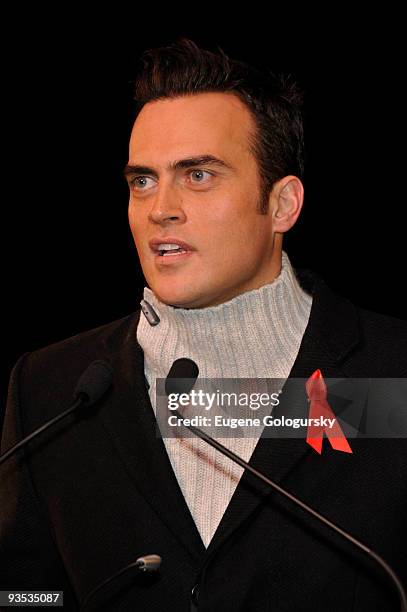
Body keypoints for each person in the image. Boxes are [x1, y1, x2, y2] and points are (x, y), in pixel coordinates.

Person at [1, 38, 406, 612]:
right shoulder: (53, 390)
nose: (160, 207)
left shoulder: (392, 374)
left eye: (197, 175)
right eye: (142, 180)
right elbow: (22, 592)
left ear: (283, 204)